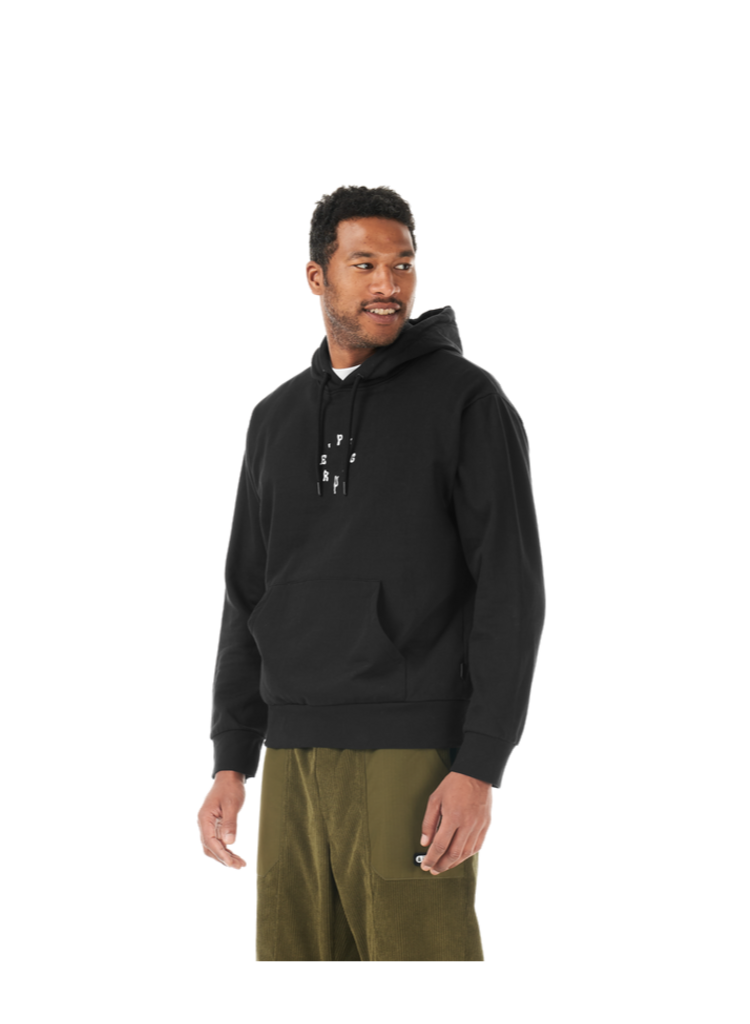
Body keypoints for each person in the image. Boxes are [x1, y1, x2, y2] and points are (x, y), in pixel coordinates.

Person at [197, 184, 546, 962]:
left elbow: (511, 591)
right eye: (365, 265)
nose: (389, 284)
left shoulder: (467, 402)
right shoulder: (275, 419)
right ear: (316, 276)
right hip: (291, 758)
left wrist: (480, 765)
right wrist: (231, 757)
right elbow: (247, 595)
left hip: (409, 757)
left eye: (403, 265)